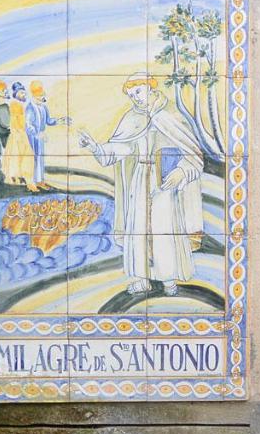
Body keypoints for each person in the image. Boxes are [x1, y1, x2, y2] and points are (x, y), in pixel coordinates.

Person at [77, 73, 203, 296]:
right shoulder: (131, 118)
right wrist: (96, 147)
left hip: (165, 181)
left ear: (150, 87)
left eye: (139, 91)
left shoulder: (169, 114)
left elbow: (193, 154)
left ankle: (168, 279)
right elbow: (121, 148)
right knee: (138, 230)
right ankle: (142, 278)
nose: (135, 97)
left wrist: (181, 171)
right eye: (131, 94)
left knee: (164, 229)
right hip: (139, 179)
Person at [25, 80, 70, 190]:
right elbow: (28, 125)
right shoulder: (30, 108)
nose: (43, 98)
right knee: (33, 159)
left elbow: (49, 121)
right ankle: (32, 182)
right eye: (40, 96)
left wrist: (60, 121)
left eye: (43, 95)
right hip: (32, 138)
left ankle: (40, 181)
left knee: (40, 158)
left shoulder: (44, 107)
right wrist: (36, 133)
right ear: (34, 96)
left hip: (40, 137)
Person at [0, 82, 37, 191]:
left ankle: (20, 177)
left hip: (21, 133)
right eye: (21, 93)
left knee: (24, 155)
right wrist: (20, 130)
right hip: (17, 134)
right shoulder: (14, 105)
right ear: (16, 94)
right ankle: (16, 178)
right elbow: (15, 121)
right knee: (17, 156)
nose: (24, 95)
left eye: (24, 93)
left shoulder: (19, 105)